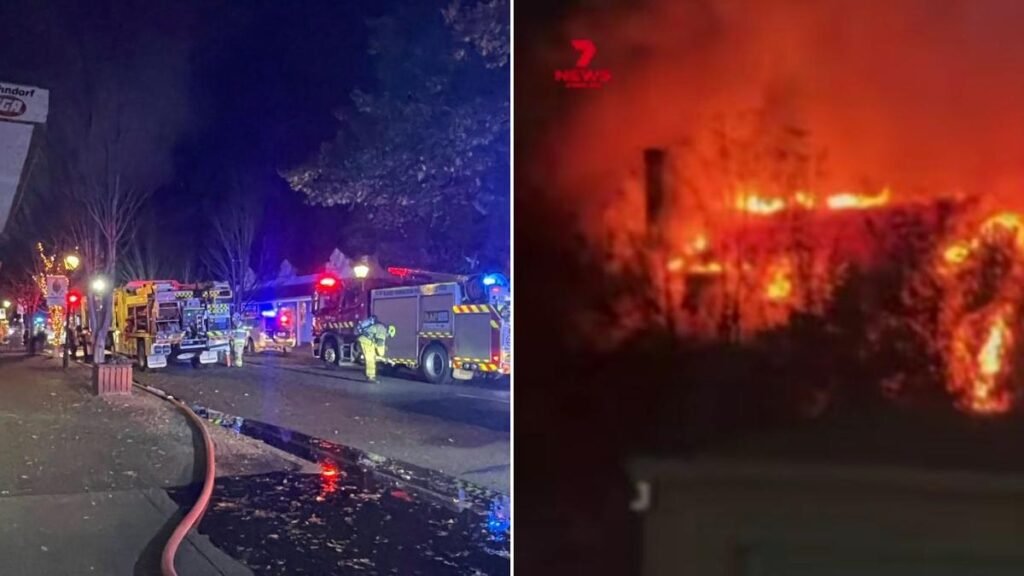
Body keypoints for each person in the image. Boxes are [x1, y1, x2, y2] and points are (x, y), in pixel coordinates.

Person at [356, 315, 390, 383]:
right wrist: (382, 353)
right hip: (365, 342)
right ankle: (370, 377)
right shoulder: (383, 330)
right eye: (388, 336)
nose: (387, 337)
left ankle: (370, 375)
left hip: (367, 342)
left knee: (372, 358)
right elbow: (380, 344)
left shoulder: (380, 327)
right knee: (370, 359)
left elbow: (376, 340)